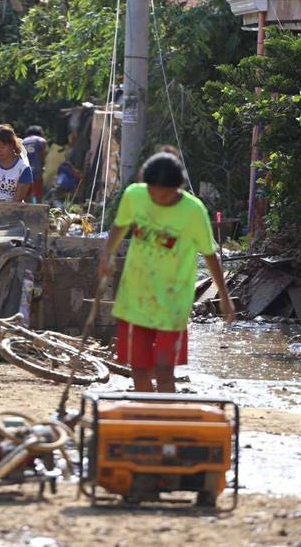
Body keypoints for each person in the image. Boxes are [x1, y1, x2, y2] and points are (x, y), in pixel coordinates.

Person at [98, 150, 235, 393]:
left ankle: (166, 416)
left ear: (177, 188)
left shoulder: (194, 211)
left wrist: (224, 296)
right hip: (136, 297)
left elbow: (209, 254)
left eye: (163, 192)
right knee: (138, 369)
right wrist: (107, 255)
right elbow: (120, 227)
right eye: (152, 190)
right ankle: (146, 418)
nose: (156, 197)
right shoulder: (135, 196)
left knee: (164, 370)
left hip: (172, 302)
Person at [21, 125, 48, 203]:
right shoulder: (41, 141)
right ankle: (39, 210)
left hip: (24, 170)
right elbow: (42, 156)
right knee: (38, 193)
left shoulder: (23, 142)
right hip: (37, 169)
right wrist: (43, 166)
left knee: (25, 194)